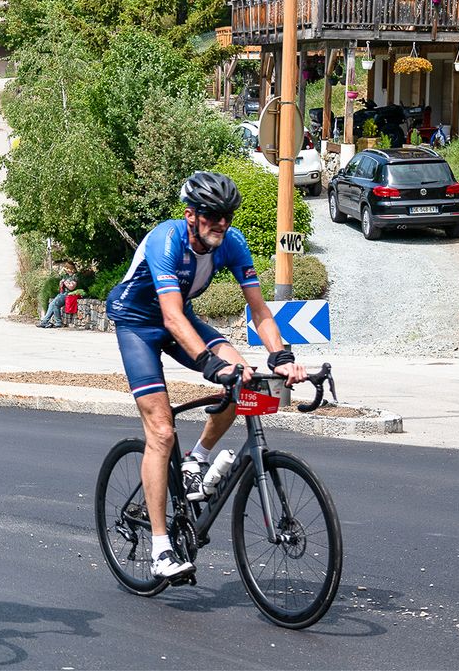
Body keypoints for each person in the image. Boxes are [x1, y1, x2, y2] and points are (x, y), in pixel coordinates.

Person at [106, 171, 308, 580]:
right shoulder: (167, 240)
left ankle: (195, 459)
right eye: (212, 214)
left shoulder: (232, 244)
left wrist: (281, 355)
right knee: (161, 431)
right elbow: (170, 316)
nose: (221, 222)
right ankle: (161, 549)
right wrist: (211, 364)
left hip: (182, 319)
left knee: (245, 379)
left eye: (226, 215)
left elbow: (259, 310)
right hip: (138, 323)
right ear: (191, 215)